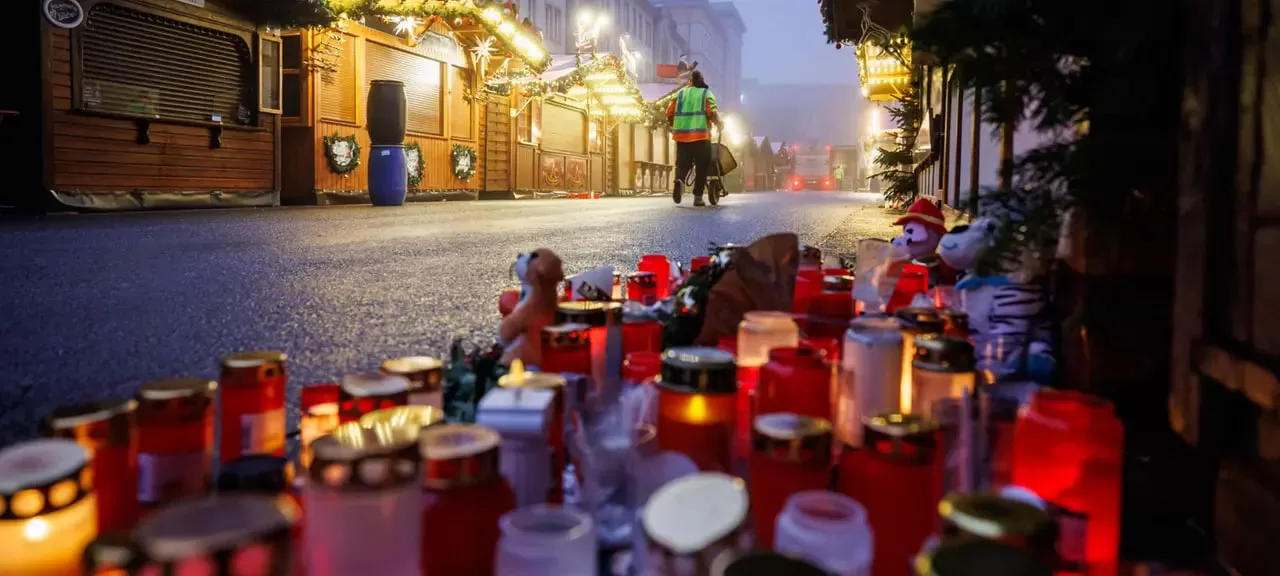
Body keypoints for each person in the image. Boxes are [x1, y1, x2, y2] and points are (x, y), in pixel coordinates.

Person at [667, 70, 720, 207]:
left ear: (690, 81)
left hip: (682, 136)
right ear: (702, 80)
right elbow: (712, 112)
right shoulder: (706, 94)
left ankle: (679, 181)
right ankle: (698, 197)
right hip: (701, 136)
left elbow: (670, 113)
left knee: (683, 163)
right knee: (702, 166)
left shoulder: (680, 94)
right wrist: (719, 124)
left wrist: (676, 125)